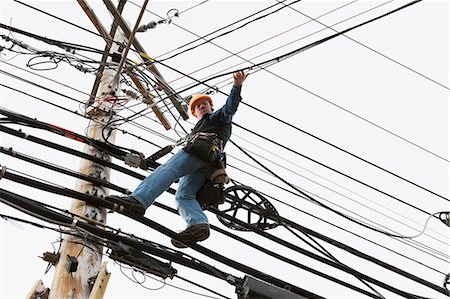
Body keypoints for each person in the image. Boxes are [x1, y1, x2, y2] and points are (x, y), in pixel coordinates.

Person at [107, 71, 248, 248]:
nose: (203, 106)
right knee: (183, 196)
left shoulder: (218, 118)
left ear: (211, 107)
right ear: (195, 113)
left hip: (200, 151)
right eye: (199, 106)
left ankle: (138, 201)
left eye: (205, 104)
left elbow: (230, 108)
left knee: (166, 171)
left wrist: (237, 86)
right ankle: (198, 224)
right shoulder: (198, 127)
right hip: (209, 163)